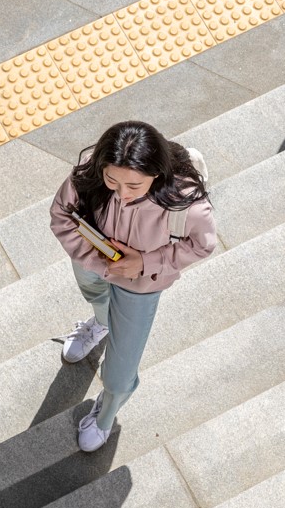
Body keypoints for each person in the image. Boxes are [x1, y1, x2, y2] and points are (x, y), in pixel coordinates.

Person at [49, 121, 216, 452]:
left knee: (120, 371)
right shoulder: (88, 174)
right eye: (112, 180)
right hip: (92, 263)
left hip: (141, 286)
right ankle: (99, 324)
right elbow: (61, 216)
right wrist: (99, 262)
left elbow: (203, 245)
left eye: (134, 186)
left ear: (157, 173)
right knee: (94, 296)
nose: (121, 193)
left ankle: (106, 412)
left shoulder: (186, 203)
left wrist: (144, 263)